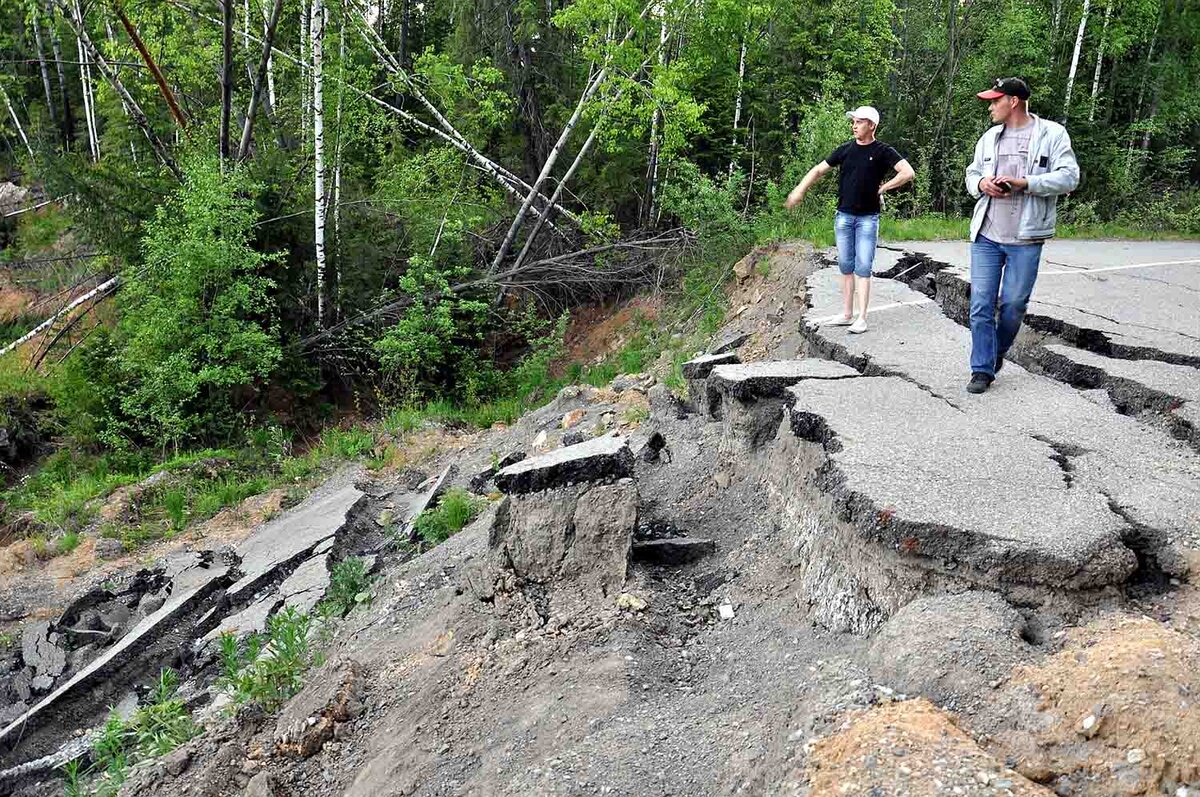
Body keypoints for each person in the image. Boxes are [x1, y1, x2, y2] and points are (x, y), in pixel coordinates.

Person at [963, 77, 1080, 394]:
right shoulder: (989, 138)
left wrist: (1025, 183)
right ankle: (981, 370)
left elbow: (1070, 177)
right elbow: (972, 173)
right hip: (987, 233)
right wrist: (981, 184)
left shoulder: (1051, 134)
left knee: (1013, 305)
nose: (990, 107)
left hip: (1026, 237)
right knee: (981, 305)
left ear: (1012, 101)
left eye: (994, 101)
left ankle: (995, 353)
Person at [785, 105, 914, 334]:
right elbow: (817, 170)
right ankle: (846, 314)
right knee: (846, 266)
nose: (854, 125)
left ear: (871, 125)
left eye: (859, 121)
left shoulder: (884, 151)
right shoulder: (845, 150)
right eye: (853, 121)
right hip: (843, 217)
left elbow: (907, 172)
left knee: (863, 267)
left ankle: (861, 317)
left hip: (868, 219)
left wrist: (883, 188)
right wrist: (799, 190)